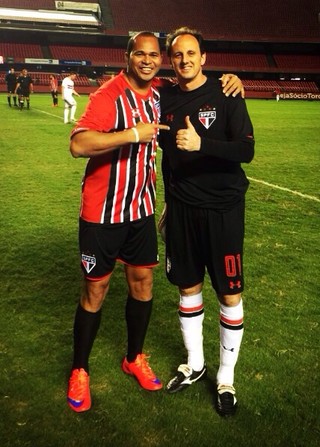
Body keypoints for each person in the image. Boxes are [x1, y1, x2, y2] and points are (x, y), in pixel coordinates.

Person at [66, 30, 244, 413]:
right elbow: (78, 144)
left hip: (143, 211)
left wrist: (232, 79)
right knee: (95, 292)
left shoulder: (162, 92)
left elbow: (198, 86)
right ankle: (79, 369)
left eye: (154, 55)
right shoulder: (109, 95)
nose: (148, 61)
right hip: (103, 212)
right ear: (128, 56)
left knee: (143, 285)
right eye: (140, 54)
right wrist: (131, 134)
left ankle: (134, 358)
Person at [158, 27, 255, 417]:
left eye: (191, 53)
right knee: (187, 287)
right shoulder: (164, 96)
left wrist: (203, 145)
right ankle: (195, 364)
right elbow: (166, 156)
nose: (184, 60)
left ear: (204, 58)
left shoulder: (226, 92)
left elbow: (246, 150)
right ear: (172, 60)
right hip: (181, 208)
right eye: (177, 54)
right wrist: (168, 200)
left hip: (222, 210)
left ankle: (226, 378)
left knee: (229, 293)